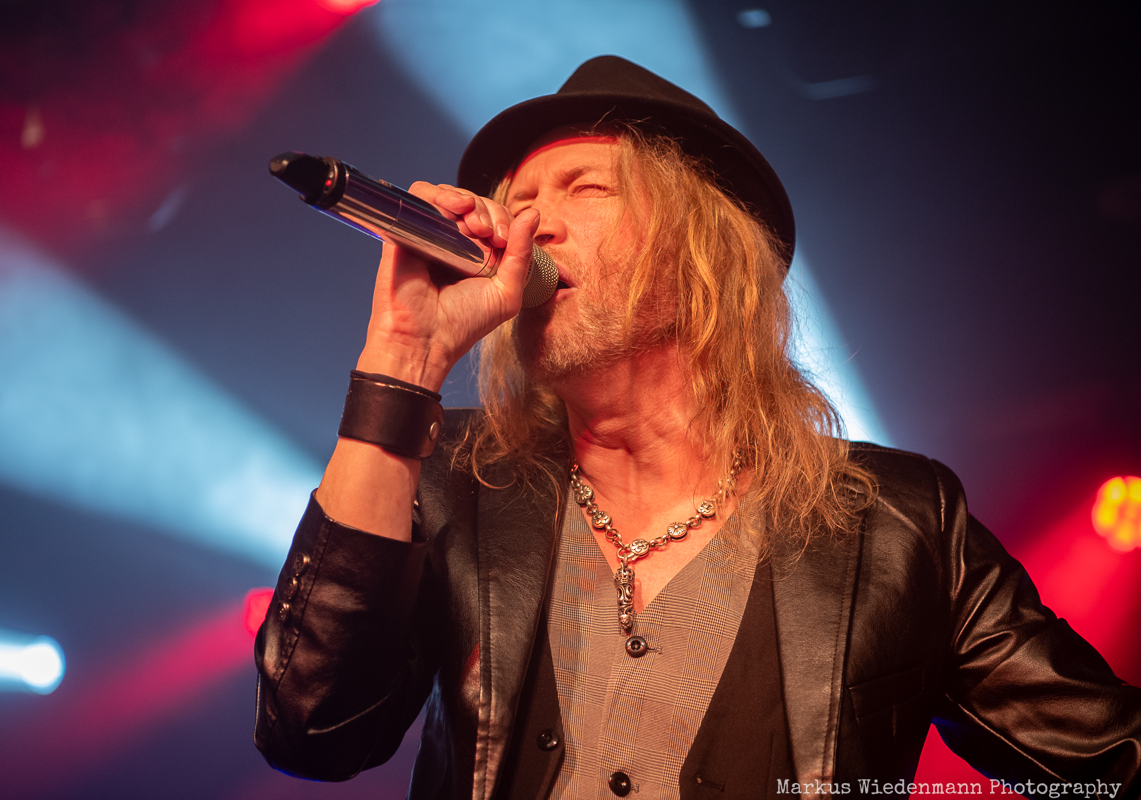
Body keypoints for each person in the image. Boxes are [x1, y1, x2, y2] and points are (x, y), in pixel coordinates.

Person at [254, 56, 1141, 799]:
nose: (529, 226)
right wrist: (402, 360)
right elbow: (312, 729)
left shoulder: (899, 520)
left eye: (584, 187)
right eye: (516, 202)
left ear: (702, 245)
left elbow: (1114, 761)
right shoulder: (450, 470)